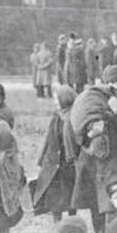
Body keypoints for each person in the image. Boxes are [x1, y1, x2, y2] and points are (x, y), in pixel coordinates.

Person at [70, 65, 117, 233]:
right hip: (95, 161)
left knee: (116, 201)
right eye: (111, 82)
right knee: (96, 201)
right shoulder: (96, 102)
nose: (116, 86)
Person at [31, 85, 80, 222]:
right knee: (54, 198)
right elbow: (48, 140)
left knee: (71, 197)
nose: (55, 102)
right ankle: (57, 227)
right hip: (54, 162)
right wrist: (41, 161)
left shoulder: (75, 116)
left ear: (65, 100)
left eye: (57, 99)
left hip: (69, 163)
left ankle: (72, 223)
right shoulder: (56, 116)